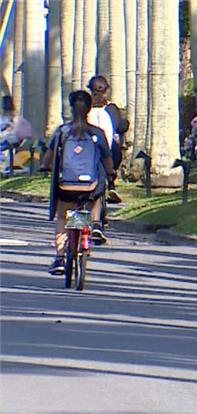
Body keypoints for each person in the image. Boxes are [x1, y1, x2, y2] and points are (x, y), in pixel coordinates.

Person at [41, 90, 114, 275]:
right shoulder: (96, 133)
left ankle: (59, 257)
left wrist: (45, 166)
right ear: (89, 109)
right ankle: (95, 224)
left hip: (66, 186)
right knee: (97, 193)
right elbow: (107, 159)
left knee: (63, 217)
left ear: (71, 108)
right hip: (89, 188)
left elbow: (48, 158)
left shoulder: (62, 132)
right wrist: (111, 173)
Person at [1, 95, 34, 175]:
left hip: (14, 147)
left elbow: (27, 136)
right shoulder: (3, 120)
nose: (8, 112)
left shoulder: (20, 121)